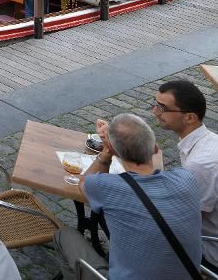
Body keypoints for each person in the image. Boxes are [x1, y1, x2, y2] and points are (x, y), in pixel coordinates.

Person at [54, 113, 200, 280]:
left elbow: (84, 183)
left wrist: (106, 152)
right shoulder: (186, 178)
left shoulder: (106, 187)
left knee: (63, 235)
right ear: (155, 148)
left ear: (114, 150)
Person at [152, 80, 218, 276]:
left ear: (190, 117)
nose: (155, 112)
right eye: (156, 104)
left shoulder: (202, 163)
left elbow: (185, 220)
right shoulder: (208, 140)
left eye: (163, 108)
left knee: (142, 229)